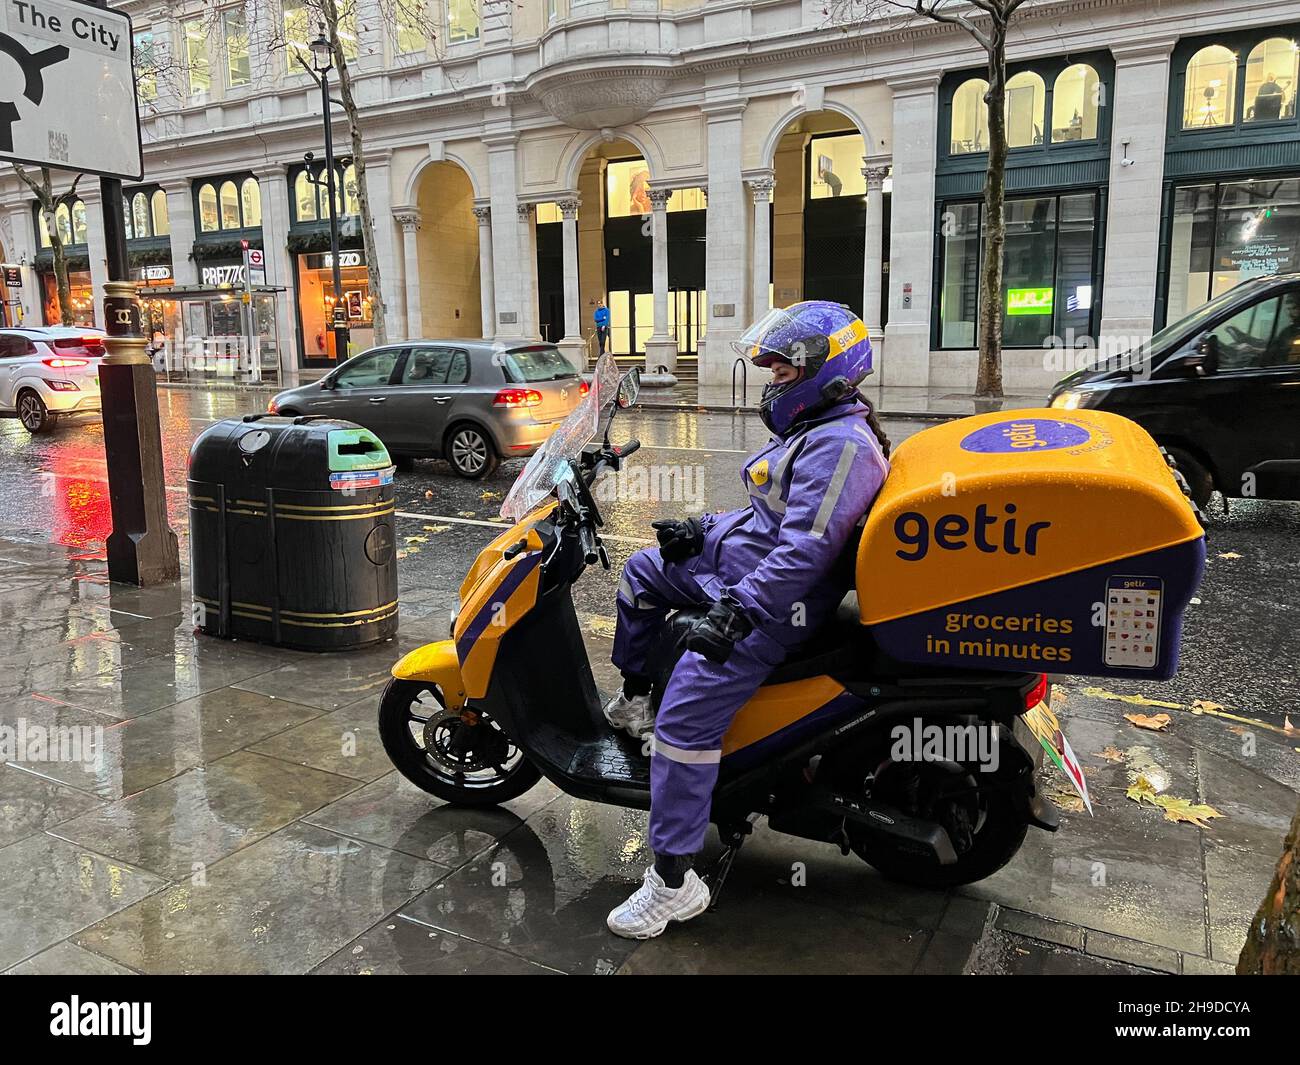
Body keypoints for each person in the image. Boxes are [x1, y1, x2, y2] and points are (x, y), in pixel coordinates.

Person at [602, 301, 892, 939]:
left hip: (774, 605)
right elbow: (767, 520)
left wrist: (740, 611)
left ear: (829, 372)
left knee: (685, 722)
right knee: (641, 574)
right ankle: (634, 697)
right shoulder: (814, 429)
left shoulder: (842, 446)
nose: (774, 380)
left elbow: (805, 551)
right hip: (740, 571)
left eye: (785, 370)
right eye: (773, 369)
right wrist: (698, 531)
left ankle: (673, 881)